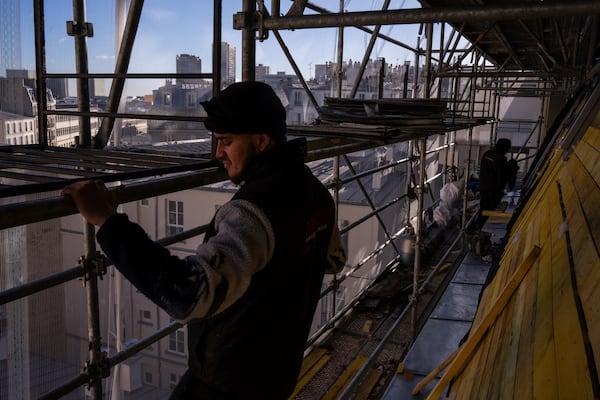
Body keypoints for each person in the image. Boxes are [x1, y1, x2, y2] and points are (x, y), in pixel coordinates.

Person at [61, 81, 347, 399]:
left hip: (230, 381)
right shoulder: (317, 194)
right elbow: (334, 261)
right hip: (277, 372)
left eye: (226, 141)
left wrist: (107, 220)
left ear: (261, 141)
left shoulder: (253, 213)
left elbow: (188, 295)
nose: (217, 153)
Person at [478, 138, 518, 223]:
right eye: (507, 149)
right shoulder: (500, 159)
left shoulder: (487, 154)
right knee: (489, 210)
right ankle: (481, 225)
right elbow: (502, 176)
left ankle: (478, 225)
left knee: (483, 207)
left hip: (483, 186)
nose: (507, 151)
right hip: (493, 190)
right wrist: (512, 168)